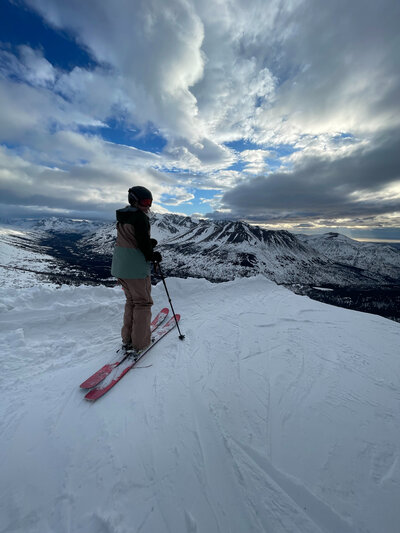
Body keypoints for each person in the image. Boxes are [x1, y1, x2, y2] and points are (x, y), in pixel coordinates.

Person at [111, 186, 162, 352]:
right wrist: (152, 254)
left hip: (120, 266)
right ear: (134, 200)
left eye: (150, 202)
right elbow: (142, 245)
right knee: (143, 303)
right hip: (135, 268)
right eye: (145, 202)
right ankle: (140, 343)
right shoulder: (140, 218)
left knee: (131, 301)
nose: (148, 206)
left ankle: (127, 339)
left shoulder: (124, 216)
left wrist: (149, 243)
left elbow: (132, 239)